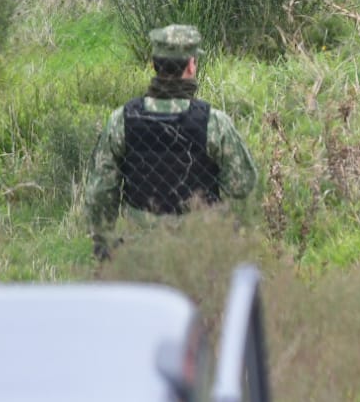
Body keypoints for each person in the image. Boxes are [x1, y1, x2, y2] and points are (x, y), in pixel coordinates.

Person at [84, 24, 257, 259]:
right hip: (201, 250)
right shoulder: (215, 123)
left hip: (139, 250)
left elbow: (100, 193)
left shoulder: (121, 120)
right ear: (191, 65)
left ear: (154, 65)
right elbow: (243, 185)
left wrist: (105, 244)